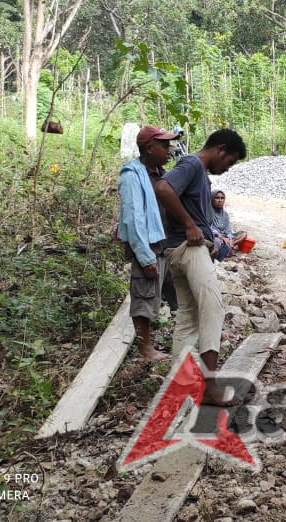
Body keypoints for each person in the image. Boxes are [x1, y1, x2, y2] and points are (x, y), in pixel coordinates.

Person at [154, 128, 248, 406]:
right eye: (229, 162)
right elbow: (163, 188)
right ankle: (210, 387)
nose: (226, 168)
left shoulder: (198, 172)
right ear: (220, 150)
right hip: (188, 248)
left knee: (189, 315)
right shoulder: (193, 164)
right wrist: (190, 225)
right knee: (213, 308)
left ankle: (179, 385)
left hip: (177, 249)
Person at [118, 126, 178, 361]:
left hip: (164, 243)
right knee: (144, 296)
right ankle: (145, 348)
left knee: (171, 291)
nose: (168, 150)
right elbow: (133, 219)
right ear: (149, 147)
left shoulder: (159, 173)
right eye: (164, 146)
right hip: (148, 246)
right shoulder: (132, 175)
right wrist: (144, 256)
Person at [209, 190, 248, 261]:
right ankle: (225, 249)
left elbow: (228, 230)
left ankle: (230, 245)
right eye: (217, 198)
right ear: (212, 199)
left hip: (224, 236)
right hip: (214, 236)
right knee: (216, 241)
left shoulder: (225, 214)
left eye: (222, 198)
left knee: (243, 234)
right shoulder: (207, 212)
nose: (220, 200)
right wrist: (219, 235)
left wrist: (229, 239)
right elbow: (207, 227)